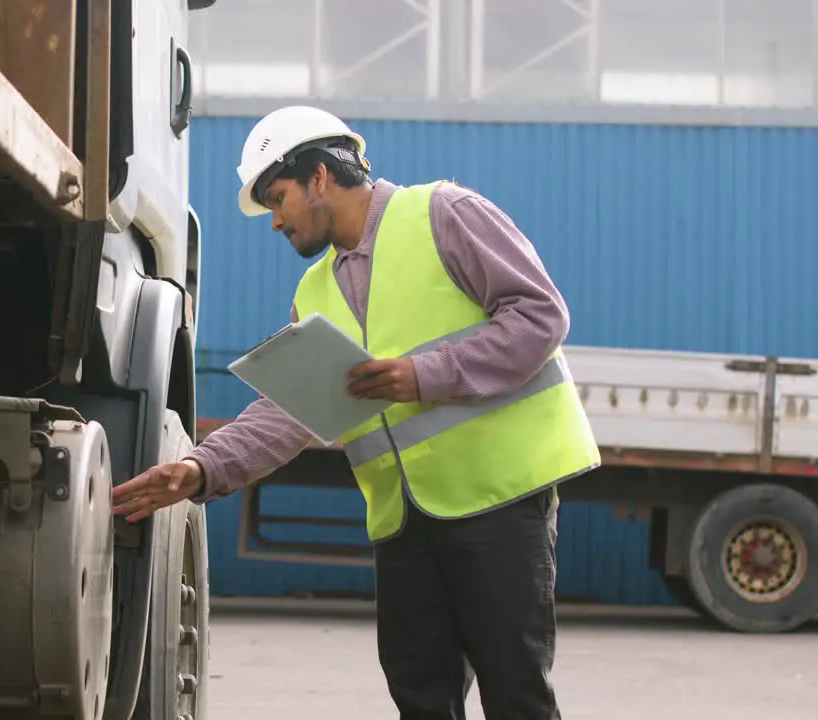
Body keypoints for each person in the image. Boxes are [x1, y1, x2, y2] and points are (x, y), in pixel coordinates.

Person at [110, 105, 600, 720]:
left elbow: (539, 316)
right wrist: (200, 469)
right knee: (420, 696)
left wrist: (424, 375)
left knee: (516, 693)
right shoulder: (314, 292)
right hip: (405, 520)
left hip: (497, 499)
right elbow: (290, 409)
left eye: (278, 198)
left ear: (319, 177)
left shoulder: (443, 214)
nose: (275, 221)